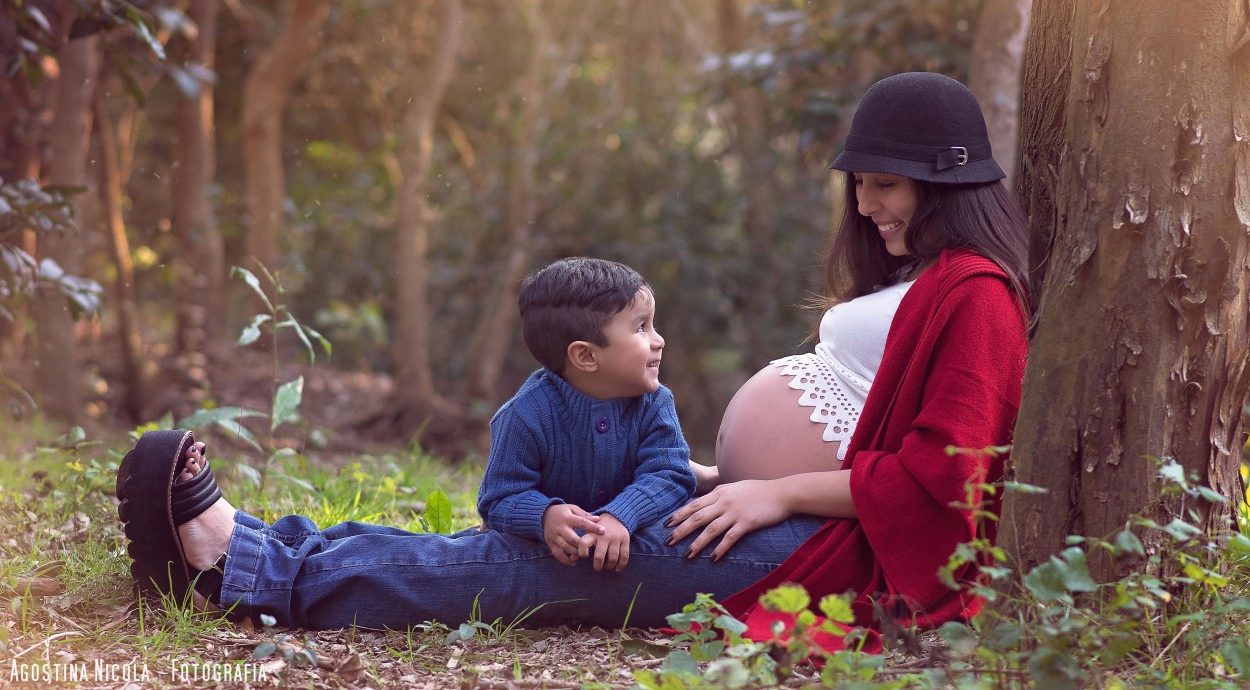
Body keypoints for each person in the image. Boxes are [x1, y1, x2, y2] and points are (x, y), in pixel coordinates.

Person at [115, 71, 1029, 640]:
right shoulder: (932, 278)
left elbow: (948, 473)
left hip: (830, 555)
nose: (866, 207)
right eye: (860, 187)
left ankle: (239, 571)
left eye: (884, 185)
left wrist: (780, 489)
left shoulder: (977, 294)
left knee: (529, 570)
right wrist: (710, 477)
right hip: (774, 518)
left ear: (946, 180)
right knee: (520, 542)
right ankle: (265, 553)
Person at [476, 257, 695, 572]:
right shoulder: (525, 416)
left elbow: (671, 475)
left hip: (632, 548)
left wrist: (622, 514)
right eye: (642, 328)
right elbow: (498, 498)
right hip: (550, 560)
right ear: (586, 356)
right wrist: (544, 516)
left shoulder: (654, 403)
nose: (659, 340)